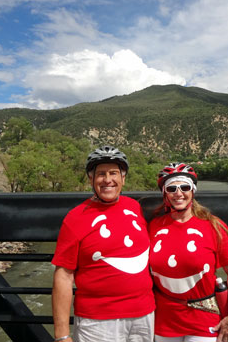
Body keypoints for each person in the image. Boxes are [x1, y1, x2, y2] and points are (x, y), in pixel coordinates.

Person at [51, 145, 155, 342]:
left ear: (123, 178)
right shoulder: (76, 218)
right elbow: (63, 276)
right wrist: (62, 335)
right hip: (98, 321)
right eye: (101, 174)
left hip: (144, 315)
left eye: (114, 173)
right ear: (91, 179)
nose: (108, 180)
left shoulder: (134, 207)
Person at [148, 163, 228, 342]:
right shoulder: (154, 226)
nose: (178, 193)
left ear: (192, 191)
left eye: (184, 187)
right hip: (164, 318)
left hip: (204, 318)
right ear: (165, 194)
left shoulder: (213, 225)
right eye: (172, 188)